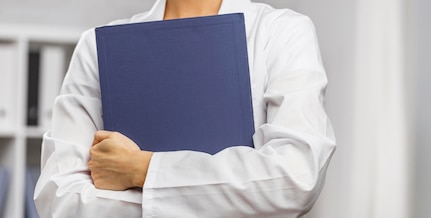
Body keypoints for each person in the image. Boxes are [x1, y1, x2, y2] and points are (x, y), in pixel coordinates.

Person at [33, 0, 336, 217]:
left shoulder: (282, 32)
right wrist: (229, 198)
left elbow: (295, 177)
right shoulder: (97, 47)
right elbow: (60, 199)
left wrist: (142, 170)